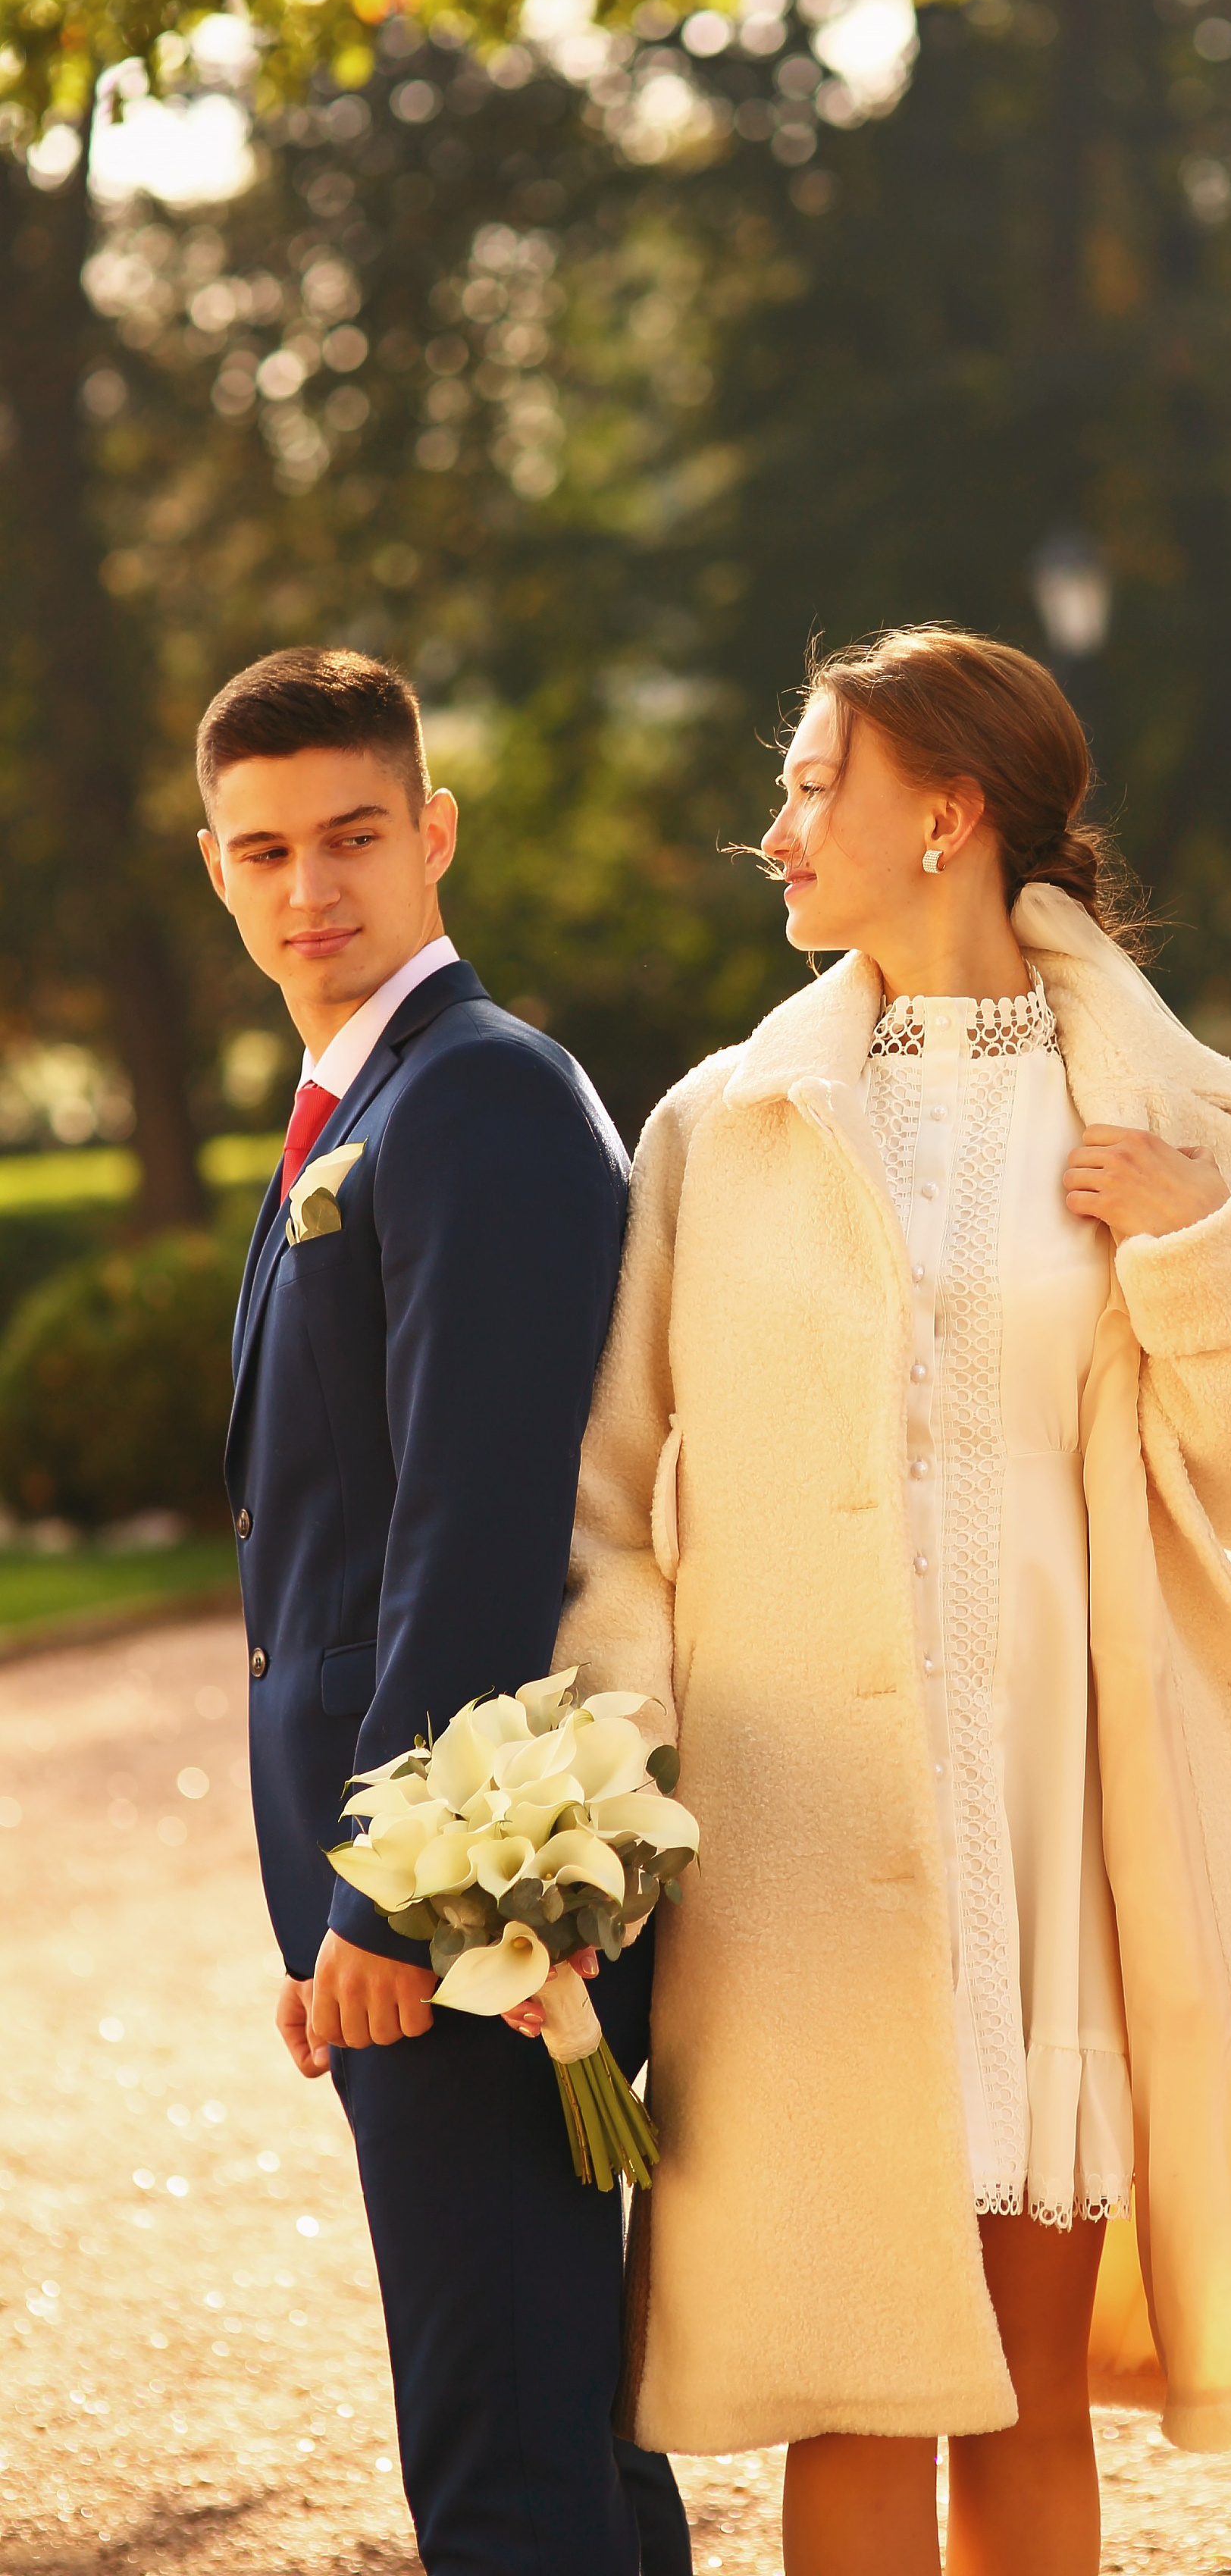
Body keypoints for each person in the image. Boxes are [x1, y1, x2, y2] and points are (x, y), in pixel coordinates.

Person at [561, 627, 1231, 2576]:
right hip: (802, 1855)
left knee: (1032, 2404)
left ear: (944, 817)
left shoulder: (1158, 1122)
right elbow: (611, 1511)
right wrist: (613, 1787)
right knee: (859, 2403)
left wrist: (1192, 1247)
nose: (775, 832)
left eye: (814, 788)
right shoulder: (724, 1128)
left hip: (1060, 1851)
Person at [197, 647, 691, 2576]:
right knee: (547, 2411)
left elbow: (476, 1533)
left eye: (353, 838)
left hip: (459, 1888)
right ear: (216, 869)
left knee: (503, 2442)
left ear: (435, 835)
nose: (309, 890)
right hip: (413, 1871)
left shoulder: (474, 1094)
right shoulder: (354, 1097)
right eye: (263, 853)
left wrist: (380, 1903)